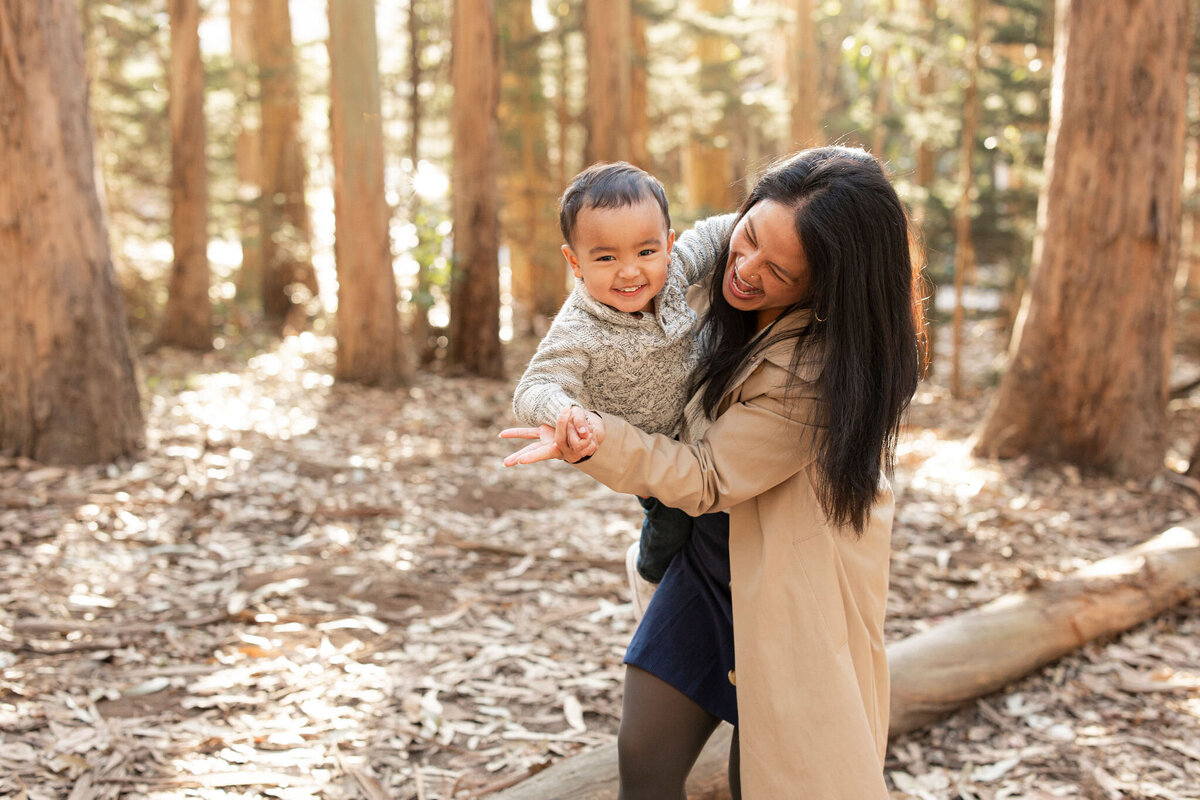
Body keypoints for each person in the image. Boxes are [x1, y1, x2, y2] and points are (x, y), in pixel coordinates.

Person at [502, 146, 924, 799]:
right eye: (748, 237)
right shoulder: (696, 262)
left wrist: (598, 442)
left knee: (767, 776)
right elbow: (623, 271)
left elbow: (706, 476)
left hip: (782, 575)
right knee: (642, 753)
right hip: (701, 554)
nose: (747, 269)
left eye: (779, 269)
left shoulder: (818, 368)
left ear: (828, 282)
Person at [511, 161, 735, 611]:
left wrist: (761, 218)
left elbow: (715, 235)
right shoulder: (579, 328)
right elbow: (534, 386)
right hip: (651, 450)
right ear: (575, 261)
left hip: (704, 415)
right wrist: (563, 412)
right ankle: (647, 574)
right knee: (672, 521)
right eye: (606, 257)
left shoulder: (671, 275)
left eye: (645, 252)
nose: (630, 272)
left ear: (668, 246)